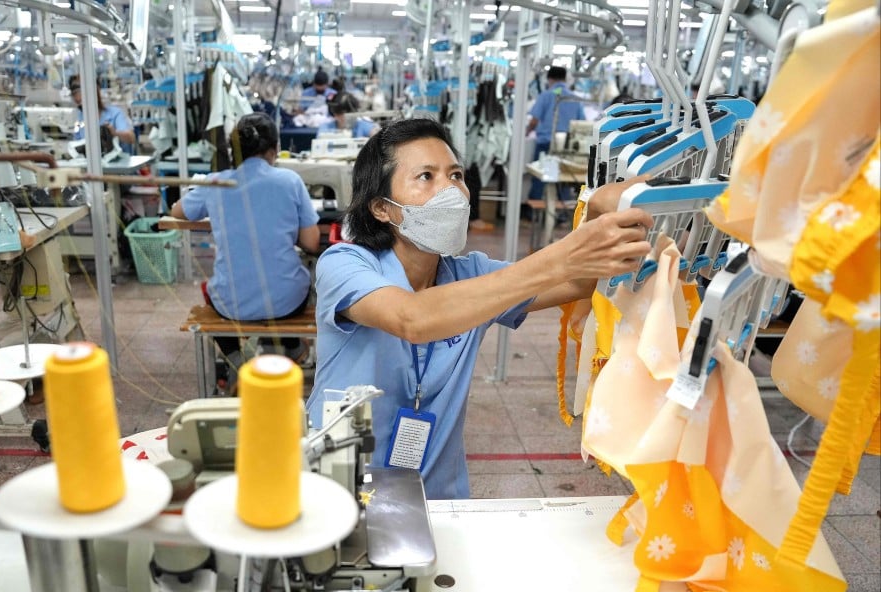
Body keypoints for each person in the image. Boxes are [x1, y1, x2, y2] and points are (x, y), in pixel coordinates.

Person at [307, 118, 653, 499]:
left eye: (456, 175)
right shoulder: (344, 264)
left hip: (435, 492)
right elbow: (412, 318)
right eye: (426, 176)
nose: (451, 191)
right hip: (343, 479)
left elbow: (574, 283)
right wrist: (561, 257)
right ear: (381, 208)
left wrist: (604, 215)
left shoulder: (469, 275)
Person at [170, 112, 321, 373]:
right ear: (275, 149)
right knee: (295, 278)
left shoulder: (216, 183)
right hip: (288, 303)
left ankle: (237, 362)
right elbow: (311, 242)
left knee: (213, 289)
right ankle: (292, 347)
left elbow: (178, 212)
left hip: (232, 305)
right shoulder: (290, 181)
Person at [526, 66, 585, 200]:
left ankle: (533, 213)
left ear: (549, 79)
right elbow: (582, 124)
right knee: (563, 179)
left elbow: (534, 119)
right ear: (565, 79)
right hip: (566, 147)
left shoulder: (546, 95)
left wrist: (526, 132)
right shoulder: (575, 98)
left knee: (541, 178)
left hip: (547, 144)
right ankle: (562, 217)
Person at [69, 75, 136, 154]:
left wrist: (114, 133)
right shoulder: (81, 117)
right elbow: (78, 143)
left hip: (119, 164)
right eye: (79, 103)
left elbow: (131, 138)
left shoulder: (115, 114)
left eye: (82, 101)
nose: (81, 106)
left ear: (95, 93)